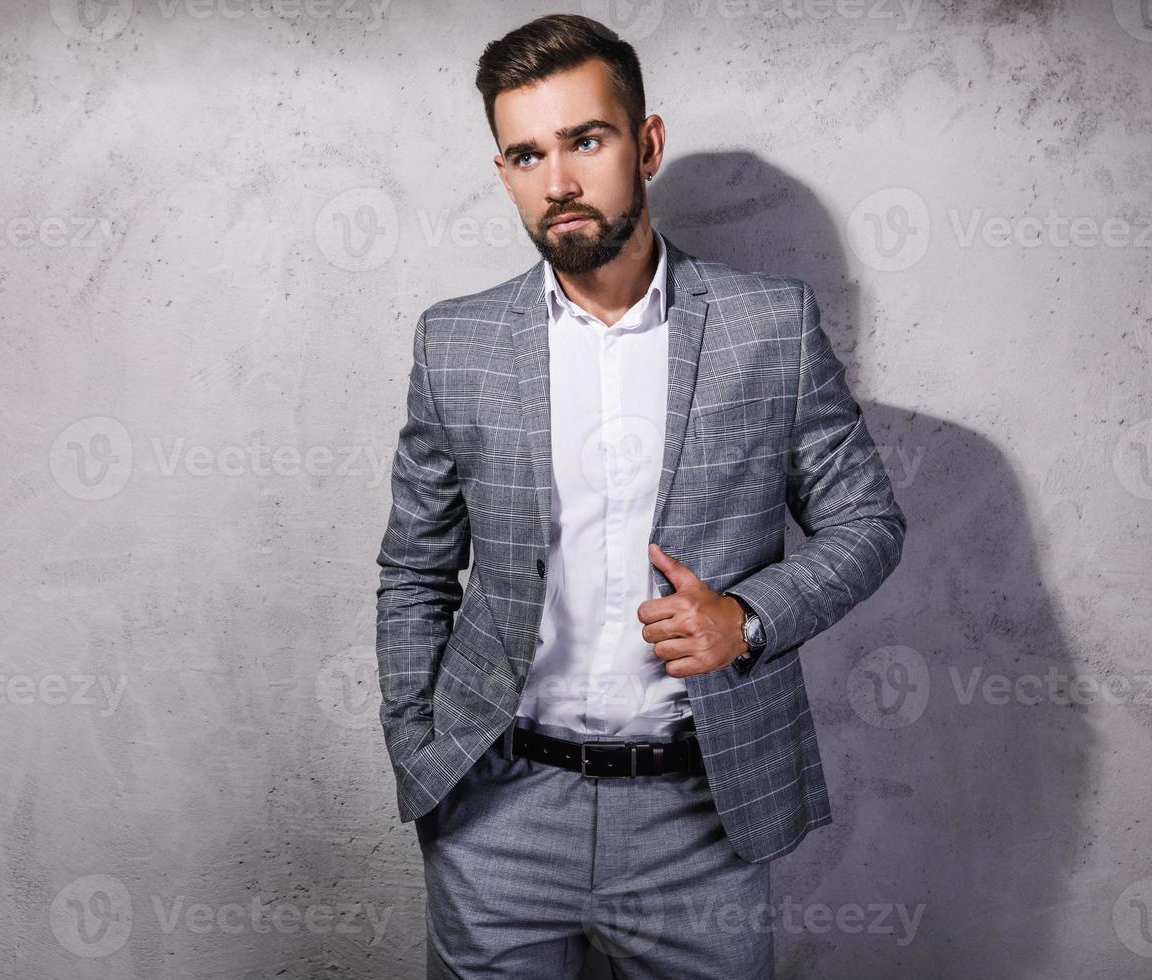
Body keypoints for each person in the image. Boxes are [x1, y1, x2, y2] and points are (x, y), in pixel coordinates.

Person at [374, 14, 906, 977]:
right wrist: (422, 749)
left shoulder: (768, 326)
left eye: (587, 139)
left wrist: (745, 619)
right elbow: (414, 568)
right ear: (504, 173)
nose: (560, 182)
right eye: (526, 154)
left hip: (698, 818)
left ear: (647, 144)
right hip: (497, 812)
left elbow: (867, 523)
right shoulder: (453, 343)